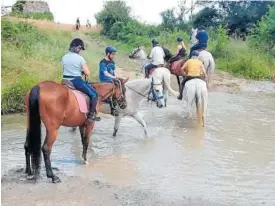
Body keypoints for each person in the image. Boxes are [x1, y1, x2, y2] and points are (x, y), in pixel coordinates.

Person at [62, 38, 100, 122]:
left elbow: (66, 68)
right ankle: (91, 116)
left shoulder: (64, 57)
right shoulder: (80, 59)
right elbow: (87, 73)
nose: (80, 50)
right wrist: (83, 72)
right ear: (77, 47)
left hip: (64, 80)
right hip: (75, 81)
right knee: (94, 94)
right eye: (80, 48)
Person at [99, 46, 120, 116]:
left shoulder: (112, 62)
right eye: (113, 54)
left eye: (114, 54)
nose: (114, 56)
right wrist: (114, 77)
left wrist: (117, 77)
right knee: (111, 88)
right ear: (108, 54)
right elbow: (105, 73)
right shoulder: (103, 62)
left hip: (111, 79)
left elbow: (114, 71)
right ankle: (112, 108)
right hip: (104, 81)